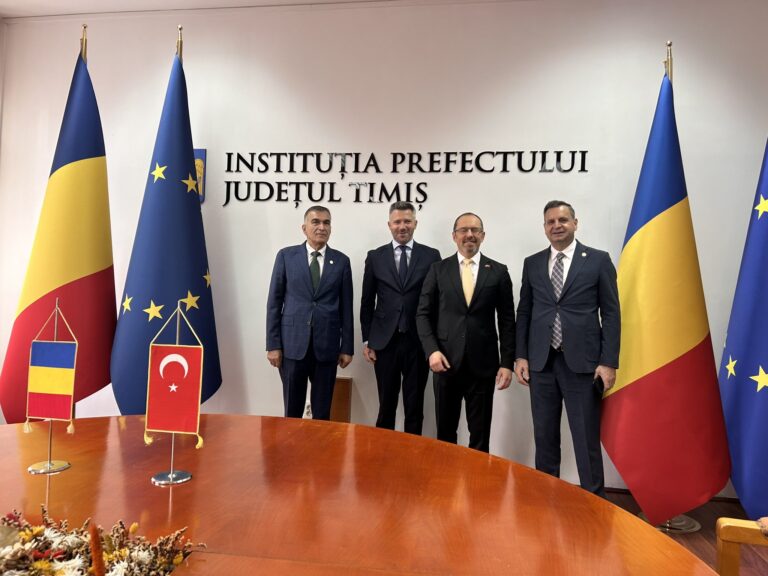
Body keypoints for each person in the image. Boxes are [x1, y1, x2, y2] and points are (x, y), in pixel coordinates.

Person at [514, 200, 620, 496]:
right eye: (550, 222)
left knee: (585, 438)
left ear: (575, 223)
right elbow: (525, 311)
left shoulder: (598, 260)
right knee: (544, 436)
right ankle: (547, 498)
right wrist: (521, 356)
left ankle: (594, 502)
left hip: (584, 365)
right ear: (544, 227)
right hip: (541, 363)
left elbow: (611, 313)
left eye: (562, 220)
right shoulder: (533, 263)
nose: (556, 226)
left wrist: (608, 361)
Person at [416, 213, 515, 452]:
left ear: (482, 235)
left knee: (480, 437)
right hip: (445, 363)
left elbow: (507, 321)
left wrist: (506, 363)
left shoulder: (498, 271)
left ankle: (477, 477)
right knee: (445, 434)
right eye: (463, 230)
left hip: (483, 366)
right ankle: (445, 475)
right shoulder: (438, 270)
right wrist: (432, 351)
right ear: (454, 236)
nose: (469, 235)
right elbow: (423, 314)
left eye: (474, 230)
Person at [360, 201, 441, 435]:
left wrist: (434, 344)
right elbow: (367, 301)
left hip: (418, 342)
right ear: (389, 225)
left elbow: (437, 302)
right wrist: (368, 340)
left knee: (415, 406)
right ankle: (383, 453)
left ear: (415, 223)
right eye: (397, 222)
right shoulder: (375, 257)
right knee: (386, 405)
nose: (402, 226)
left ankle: (412, 454)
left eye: (407, 221)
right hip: (385, 343)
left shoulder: (431, 256)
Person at [266, 205, 354, 420]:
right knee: (292, 411)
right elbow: (274, 302)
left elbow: (346, 307)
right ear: (304, 228)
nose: (321, 227)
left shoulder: (341, 261)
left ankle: (319, 444)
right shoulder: (286, 256)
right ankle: (291, 444)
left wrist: (347, 347)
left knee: (322, 413)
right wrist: (273, 344)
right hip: (292, 346)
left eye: (326, 223)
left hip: (327, 347)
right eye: (316, 222)